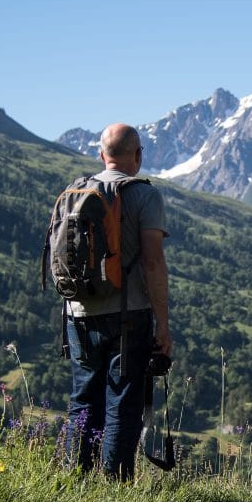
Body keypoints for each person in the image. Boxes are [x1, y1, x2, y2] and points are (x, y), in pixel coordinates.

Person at [64, 123, 172, 478]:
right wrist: (163, 325)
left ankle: (75, 479)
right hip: (129, 316)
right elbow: (153, 262)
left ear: (101, 155)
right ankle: (115, 487)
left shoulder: (76, 190)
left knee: (83, 400)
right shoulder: (144, 196)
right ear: (138, 155)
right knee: (122, 405)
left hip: (77, 312)